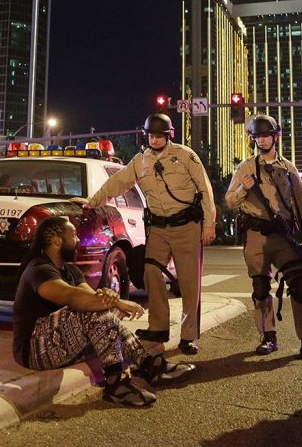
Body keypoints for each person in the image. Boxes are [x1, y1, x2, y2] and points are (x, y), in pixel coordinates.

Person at [12, 215, 194, 406]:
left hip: (62, 346)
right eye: (73, 235)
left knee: (100, 312)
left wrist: (108, 298)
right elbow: (72, 297)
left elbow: (93, 298)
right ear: (57, 241)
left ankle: (149, 366)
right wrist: (118, 303)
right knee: (92, 311)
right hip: (34, 351)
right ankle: (116, 383)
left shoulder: (71, 271)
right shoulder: (38, 269)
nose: (78, 240)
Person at [83, 113, 215, 355]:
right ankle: (158, 327)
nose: (155, 140)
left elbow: (205, 190)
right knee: (151, 272)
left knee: (188, 282)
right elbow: (118, 183)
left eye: (159, 136)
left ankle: (188, 336)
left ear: (169, 135)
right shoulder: (140, 161)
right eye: (151, 136)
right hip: (159, 229)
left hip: (187, 227)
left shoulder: (186, 156)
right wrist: (93, 202)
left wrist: (209, 224)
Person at [225, 114, 302, 360]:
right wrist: (243, 188)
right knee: (261, 287)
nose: (261, 140)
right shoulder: (245, 167)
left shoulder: (289, 168)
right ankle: (268, 337)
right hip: (255, 235)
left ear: (275, 136)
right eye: (257, 136)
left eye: (265, 135)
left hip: (284, 236)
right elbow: (230, 201)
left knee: (300, 285)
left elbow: (300, 205)